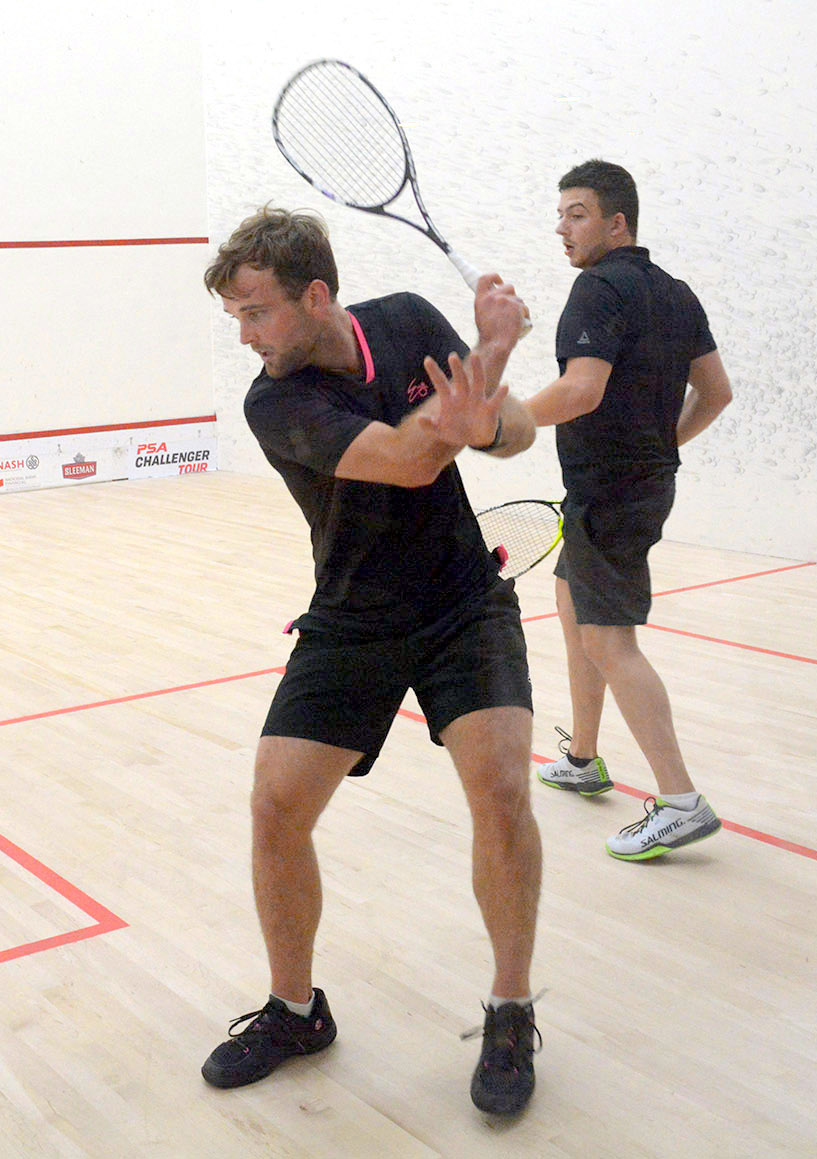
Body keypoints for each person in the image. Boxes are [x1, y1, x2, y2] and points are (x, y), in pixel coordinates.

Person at [201, 206, 543, 1115]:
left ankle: (511, 1010)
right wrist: (489, 355)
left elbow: (514, 432)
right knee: (276, 805)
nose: (246, 335)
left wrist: (487, 408)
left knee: (502, 788)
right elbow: (405, 459)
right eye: (235, 316)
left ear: (316, 295)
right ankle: (296, 1010)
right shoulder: (275, 401)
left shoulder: (407, 322)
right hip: (354, 616)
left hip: (462, 602)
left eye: (256, 312)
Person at [526, 160, 733, 861]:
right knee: (570, 602)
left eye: (577, 213)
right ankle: (583, 758)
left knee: (610, 640)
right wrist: (659, 445)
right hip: (632, 485)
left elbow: (580, 390)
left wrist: (500, 420)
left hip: (609, 494)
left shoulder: (596, 288)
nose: (562, 227)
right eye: (560, 214)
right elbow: (716, 392)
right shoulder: (675, 292)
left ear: (618, 223)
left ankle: (680, 802)